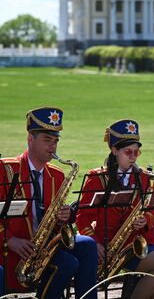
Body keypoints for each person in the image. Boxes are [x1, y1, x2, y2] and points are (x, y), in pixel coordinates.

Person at [76, 119, 154, 299]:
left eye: (137, 152)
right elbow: (82, 217)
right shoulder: (97, 178)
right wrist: (95, 242)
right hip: (111, 244)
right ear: (114, 151)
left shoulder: (143, 177)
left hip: (139, 240)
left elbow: (150, 211)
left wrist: (145, 220)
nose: (134, 157)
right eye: (128, 152)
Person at [0, 107, 98, 298]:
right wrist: (10, 240)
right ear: (30, 139)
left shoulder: (57, 175)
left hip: (42, 246)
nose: (53, 147)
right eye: (47, 140)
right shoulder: (5, 169)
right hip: (11, 248)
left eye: (55, 141)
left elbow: (56, 224)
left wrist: (65, 217)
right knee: (68, 263)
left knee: (87, 244)